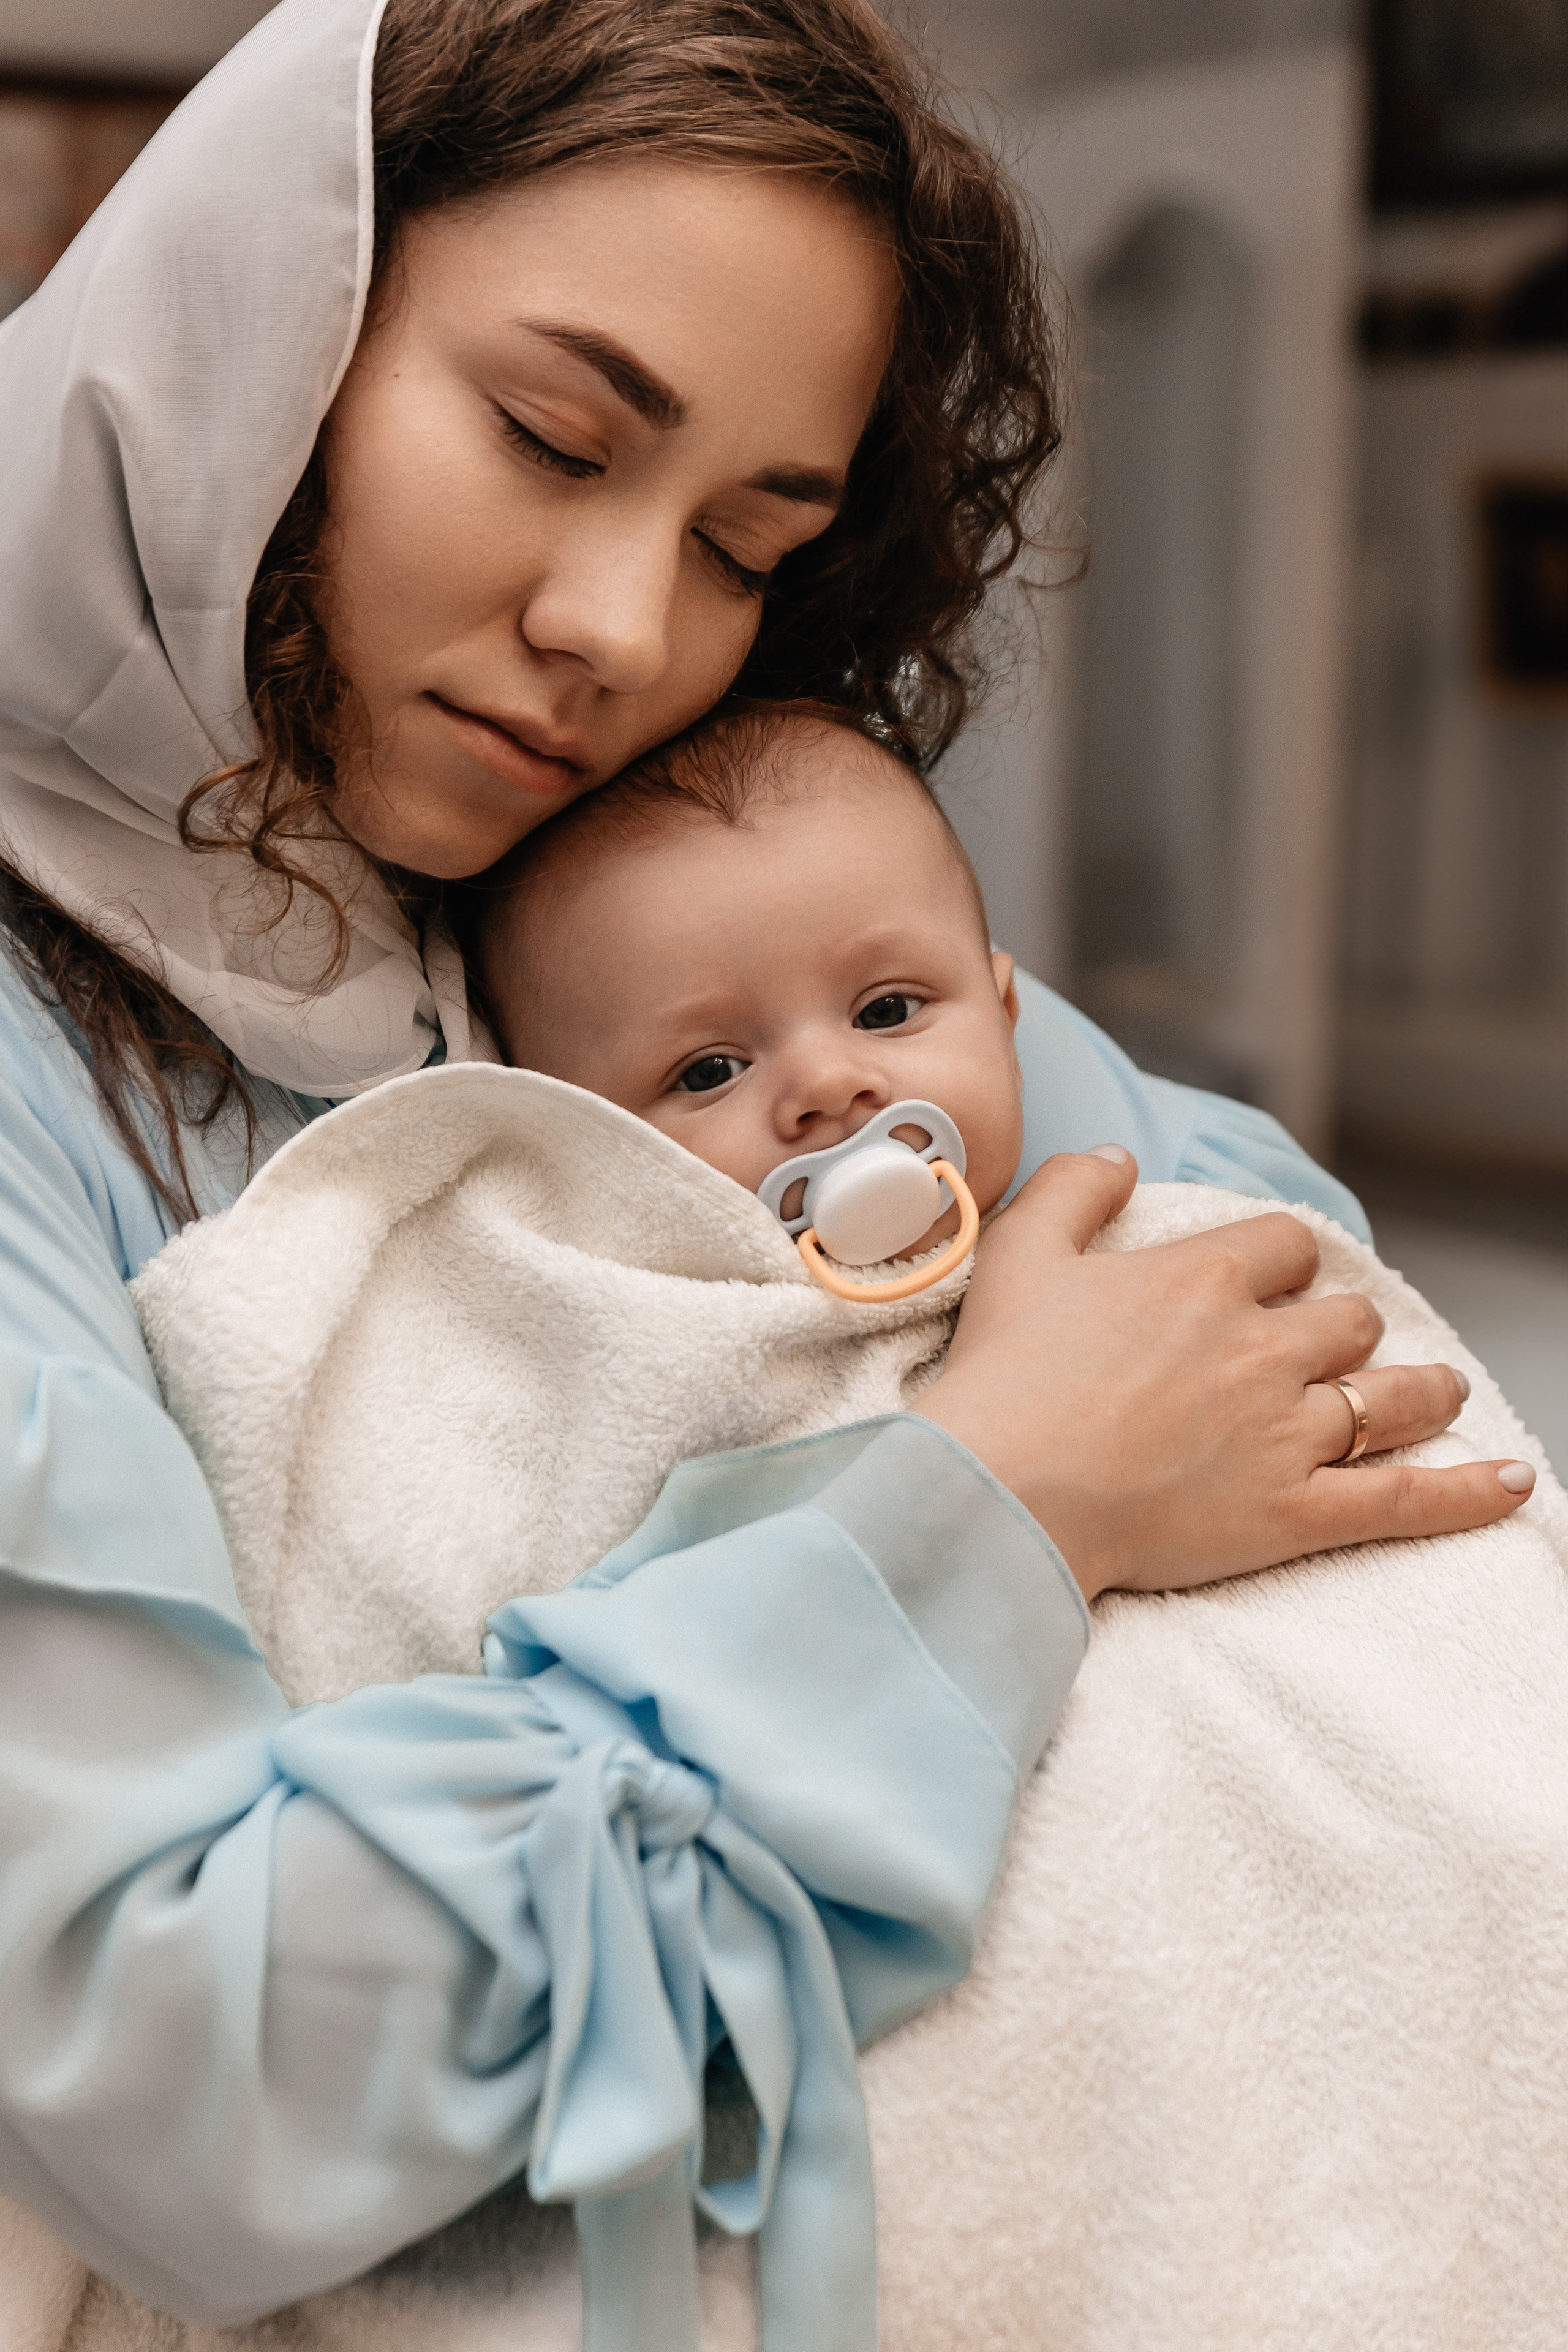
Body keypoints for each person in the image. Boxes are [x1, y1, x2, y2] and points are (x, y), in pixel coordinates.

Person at [0, 2, 1531, 2346]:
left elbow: (1251, 1273)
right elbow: (179, 2078)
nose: (621, 635)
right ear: (259, 319)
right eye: (550, 438)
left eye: (743, 544)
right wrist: (992, 1509)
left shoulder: (567, 867)